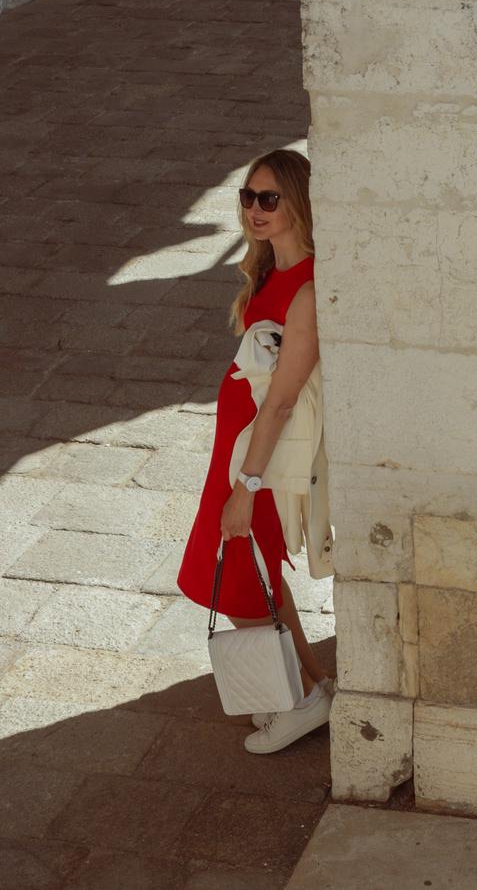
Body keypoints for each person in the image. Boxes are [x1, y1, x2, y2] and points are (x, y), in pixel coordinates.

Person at [178, 147, 335, 753]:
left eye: (269, 198)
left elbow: (283, 400)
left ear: (298, 202)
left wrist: (246, 487)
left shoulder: (308, 290)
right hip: (240, 453)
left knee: (239, 577)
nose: (254, 210)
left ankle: (293, 702)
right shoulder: (268, 273)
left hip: (261, 461)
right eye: (247, 197)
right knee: (259, 572)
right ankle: (311, 685)